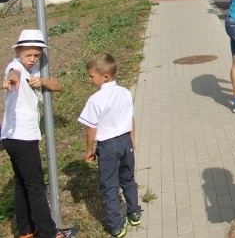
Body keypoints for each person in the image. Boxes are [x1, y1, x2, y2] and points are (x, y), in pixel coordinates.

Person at [2, 29, 80, 238]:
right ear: (18, 51)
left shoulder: (34, 70)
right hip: (22, 137)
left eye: (37, 55)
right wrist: (12, 79)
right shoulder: (15, 67)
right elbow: (13, 73)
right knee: (36, 187)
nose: (32, 59)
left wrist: (43, 82)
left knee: (22, 184)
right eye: (28, 55)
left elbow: (58, 85)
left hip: (13, 138)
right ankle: (49, 233)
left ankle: (26, 230)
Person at [78, 53, 141, 237]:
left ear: (105, 76)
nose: (90, 79)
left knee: (109, 185)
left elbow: (91, 128)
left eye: (91, 76)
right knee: (128, 178)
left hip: (107, 146)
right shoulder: (125, 92)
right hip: (125, 141)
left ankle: (115, 224)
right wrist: (132, 139)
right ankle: (134, 212)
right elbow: (131, 118)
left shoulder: (95, 99)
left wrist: (89, 149)